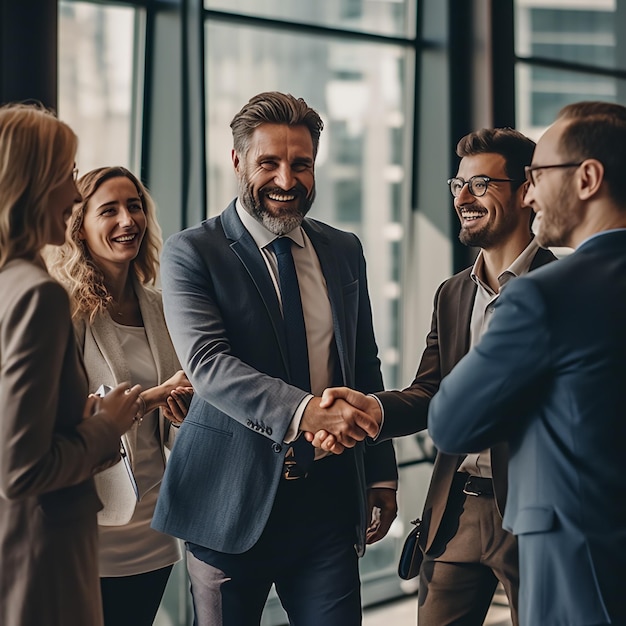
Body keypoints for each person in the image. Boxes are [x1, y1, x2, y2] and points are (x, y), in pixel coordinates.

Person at [151, 91, 398, 626]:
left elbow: (363, 362)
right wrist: (311, 412)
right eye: (269, 163)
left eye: (301, 164)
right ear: (237, 160)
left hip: (329, 503)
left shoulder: (344, 249)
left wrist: (380, 473)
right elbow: (209, 363)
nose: (287, 181)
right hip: (226, 501)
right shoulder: (192, 252)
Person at [312, 127, 556, 625]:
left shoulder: (563, 287)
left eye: (482, 184)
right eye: (458, 185)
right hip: (457, 510)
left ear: (527, 190)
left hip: (538, 512)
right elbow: (431, 392)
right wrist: (373, 408)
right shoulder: (452, 294)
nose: (463, 198)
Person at [427, 100, 626, 626]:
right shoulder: (453, 292)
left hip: (575, 561)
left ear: (587, 178)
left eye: (538, 175)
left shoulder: (544, 295)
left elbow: (451, 420)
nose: (532, 192)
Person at [0, 104, 143, 626]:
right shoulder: (39, 295)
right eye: (66, 175)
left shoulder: (10, 283)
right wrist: (107, 428)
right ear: (33, 185)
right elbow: (20, 470)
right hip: (44, 555)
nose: (72, 193)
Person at [46, 166, 193, 626]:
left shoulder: (163, 306)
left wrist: (181, 411)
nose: (127, 220)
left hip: (153, 528)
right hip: (87, 529)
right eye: (108, 210)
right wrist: (151, 397)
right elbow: (58, 418)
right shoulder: (63, 309)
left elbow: (171, 428)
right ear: (80, 225)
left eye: (134, 206)